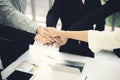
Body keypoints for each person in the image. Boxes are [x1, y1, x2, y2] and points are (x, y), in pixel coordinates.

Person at [44, 0, 120, 57]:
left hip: (88, 43)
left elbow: (99, 18)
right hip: (67, 43)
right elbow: (53, 13)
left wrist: (97, 38)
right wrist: (51, 29)